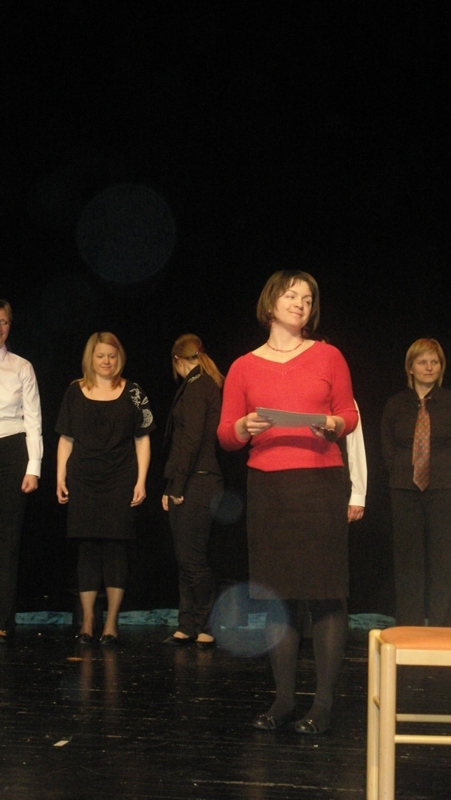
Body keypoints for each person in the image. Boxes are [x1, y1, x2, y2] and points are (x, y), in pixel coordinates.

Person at [217, 270, 358, 734]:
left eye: (308, 298)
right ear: (271, 302)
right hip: (268, 488)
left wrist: (333, 425)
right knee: (278, 595)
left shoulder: (328, 355)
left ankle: (323, 704)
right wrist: (244, 427)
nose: (300, 303)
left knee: (324, 592)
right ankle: (283, 701)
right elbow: (226, 433)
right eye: (291, 294)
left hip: (319, 482)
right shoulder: (243, 366)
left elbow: (349, 413)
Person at [56, 332, 154, 645]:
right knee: (87, 548)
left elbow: (142, 438)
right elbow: (66, 438)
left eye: (111, 356)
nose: (106, 361)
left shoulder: (133, 391)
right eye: (100, 356)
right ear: (91, 358)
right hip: (83, 478)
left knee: (115, 548)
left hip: (120, 478)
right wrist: (60, 476)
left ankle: (111, 623)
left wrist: (141, 480)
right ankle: (87, 621)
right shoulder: (75, 391)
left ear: (119, 357)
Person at [381, 338, 451, 626]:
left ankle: (441, 627)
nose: (429, 367)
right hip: (405, 490)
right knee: (408, 561)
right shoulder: (396, 404)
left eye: (435, 362)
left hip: (443, 489)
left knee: (442, 560)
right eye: (423, 362)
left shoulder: (448, 402)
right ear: (410, 367)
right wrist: (400, 474)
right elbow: (387, 446)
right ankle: (409, 626)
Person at [162, 333, 224, 650]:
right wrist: (171, 484)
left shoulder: (199, 386)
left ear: (177, 359)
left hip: (198, 480)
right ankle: (187, 624)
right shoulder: (197, 384)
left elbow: (192, 440)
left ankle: (207, 624)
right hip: (190, 478)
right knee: (184, 557)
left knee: (193, 557)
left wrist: (178, 485)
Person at [0, 299, 43, 642]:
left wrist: (34, 467)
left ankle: (3, 618)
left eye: (3, 322)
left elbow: (33, 420)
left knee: (8, 539)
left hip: (13, 451)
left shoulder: (21, 367)